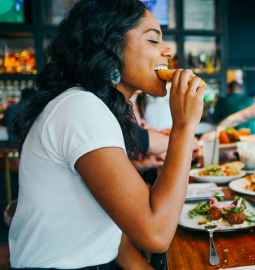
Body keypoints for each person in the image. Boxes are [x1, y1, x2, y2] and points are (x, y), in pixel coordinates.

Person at [9, 1, 204, 269]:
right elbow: (156, 234)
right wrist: (184, 125)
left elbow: (110, 235)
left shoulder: (95, 108)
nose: (168, 51)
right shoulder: (80, 108)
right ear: (111, 46)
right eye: (153, 40)